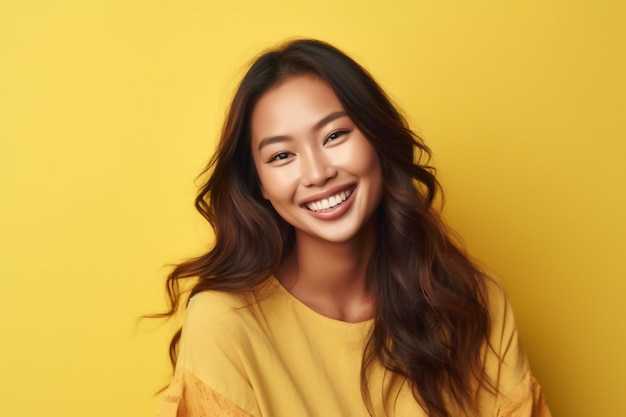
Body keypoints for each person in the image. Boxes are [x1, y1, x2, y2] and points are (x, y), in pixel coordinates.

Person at [156, 38, 551, 417]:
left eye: (335, 135)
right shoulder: (225, 323)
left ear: (377, 138)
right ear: (259, 183)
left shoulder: (474, 303)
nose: (317, 173)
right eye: (281, 155)